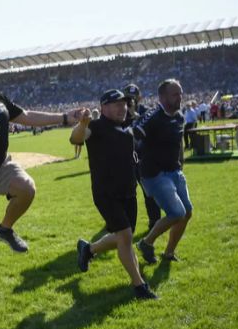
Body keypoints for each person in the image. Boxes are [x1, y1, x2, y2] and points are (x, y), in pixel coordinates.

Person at [0, 54, 83, 315]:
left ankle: (5, 228)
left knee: (27, 188)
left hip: (1, 167)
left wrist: (65, 118)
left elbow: (27, 116)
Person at [70, 90, 158, 300]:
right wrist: (82, 123)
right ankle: (139, 286)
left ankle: (89, 249)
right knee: (126, 237)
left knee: (122, 237)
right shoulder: (96, 126)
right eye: (116, 104)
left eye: (124, 104)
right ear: (103, 108)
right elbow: (75, 138)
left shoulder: (126, 126)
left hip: (129, 192)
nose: (122, 108)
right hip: (106, 193)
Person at [134, 79, 193, 264]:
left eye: (181, 93)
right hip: (155, 174)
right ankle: (146, 243)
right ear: (163, 97)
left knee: (187, 212)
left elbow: (179, 145)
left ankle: (168, 252)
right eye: (175, 94)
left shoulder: (179, 116)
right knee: (177, 213)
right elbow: (133, 138)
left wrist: (181, 165)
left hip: (175, 172)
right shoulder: (152, 116)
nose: (180, 98)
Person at [122, 84, 161, 232]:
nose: (131, 101)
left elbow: (151, 132)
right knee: (124, 194)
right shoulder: (120, 114)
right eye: (128, 98)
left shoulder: (146, 112)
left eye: (133, 98)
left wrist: (136, 116)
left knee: (149, 192)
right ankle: (122, 224)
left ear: (139, 98)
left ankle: (155, 221)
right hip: (126, 160)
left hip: (143, 158)